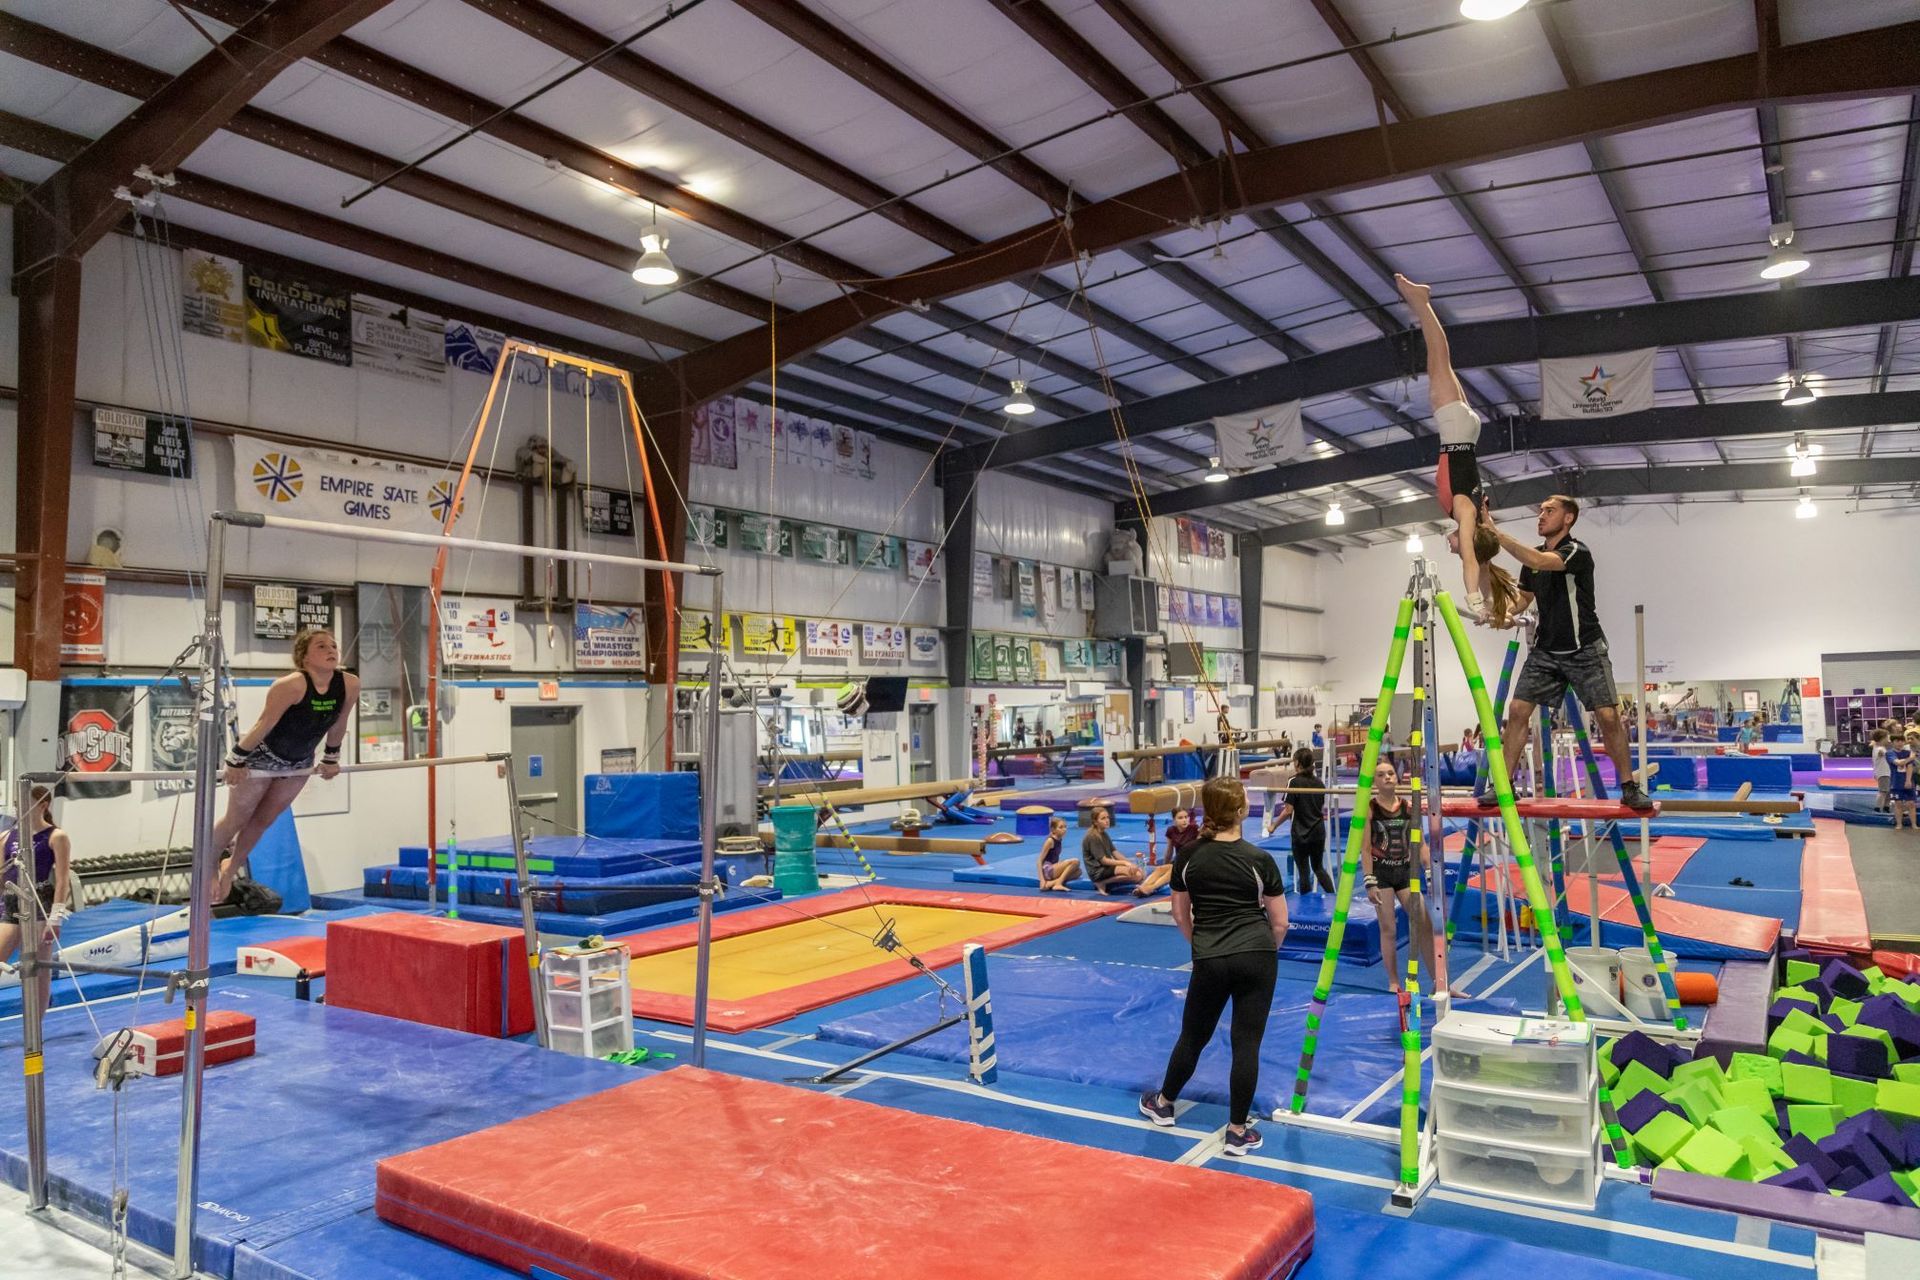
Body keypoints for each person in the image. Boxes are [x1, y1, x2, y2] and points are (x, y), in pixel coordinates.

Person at [1138, 777, 1288, 1155]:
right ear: (1240, 811)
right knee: (1246, 1043)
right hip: (1257, 955)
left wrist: (1199, 944)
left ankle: (1164, 1103)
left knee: (1194, 1036)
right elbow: (1280, 921)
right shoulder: (1259, 860)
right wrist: (1266, 950)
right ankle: (1237, 1131)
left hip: (1211, 956)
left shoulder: (1188, 856)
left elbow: (1178, 912)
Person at [1478, 495, 1655, 811]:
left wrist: (1496, 532)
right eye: (1541, 510)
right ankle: (1502, 784)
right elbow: (1522, 601)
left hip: (1584, 648)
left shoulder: (1576, 551)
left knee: (1608, 716)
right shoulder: (1532, 561)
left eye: (1550, 511)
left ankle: (1629, 787)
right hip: (1546, 651)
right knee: (1518, 710)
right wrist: (1504, 617)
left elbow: (1540, 562)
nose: (1541, 515)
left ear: (1569, 518)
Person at [1395, 274, 1521, 626]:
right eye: (1455, 546)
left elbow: (1482, 564)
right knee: (1438, 355)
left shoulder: (1483, 521)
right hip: (1454, 430)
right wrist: (1477, 604)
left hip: (1466, 432)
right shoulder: (1466, 515)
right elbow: (1471, 560)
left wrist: (1500, 609)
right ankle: (1420, 301)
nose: (1449, 545)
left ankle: (1421, 303)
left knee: (1442, 362)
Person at [211, 628, 359, 904]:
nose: (331, 650)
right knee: (237, 819)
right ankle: (209, 864)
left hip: (299, 762)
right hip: (262, 757)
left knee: (263, 820)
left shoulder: (349, 684)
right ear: (303, 658)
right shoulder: (291, 685)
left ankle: (230, 868)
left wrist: (331, 758)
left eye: (333, 646)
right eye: (321, 646)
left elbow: (339, 722)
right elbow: (264, 723)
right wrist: (236, 759)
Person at [1363, 763, 1437, 996]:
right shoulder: (1369, 809)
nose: (1387, 777)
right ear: (1374, 781)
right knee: (1389, 929)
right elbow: (1365, 849)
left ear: (1397, 777)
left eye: (1390, 773)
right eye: (1381, 775)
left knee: (1424, 922)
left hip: (1405, 871)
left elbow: (1421, 844)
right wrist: (1370, 880)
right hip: (1382, 873)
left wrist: (1429, 870)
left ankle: (1438, 980)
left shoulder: (1409, 807)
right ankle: (1394, 981)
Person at [0, 786, 73, 1005]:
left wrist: (56, 917)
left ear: (43, 805)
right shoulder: (5, 836)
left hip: (40, 904)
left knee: (38, 970)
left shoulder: (56, 836)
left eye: (25, 802)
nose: (18, 807)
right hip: (12, 902)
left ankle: (35, 1033)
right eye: (16, 803)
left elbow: (63, 880)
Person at [1265, 747, 1335, 894]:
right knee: (1318, 868)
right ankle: (1334, 898)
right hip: (1318, 831)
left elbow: (1288, 811)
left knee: (1304, 871)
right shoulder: (1319, 783)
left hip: (1301, 833)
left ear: (1297, 763)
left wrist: (1273, 826)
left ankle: (1305, 907)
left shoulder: (1294, 782)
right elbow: (1318, 808)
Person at [1080, 805, 1143, 895]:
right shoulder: (1093, 837)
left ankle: (1106, 881)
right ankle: (1102, 882)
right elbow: (1104, 861)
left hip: (1105, 868)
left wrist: (1130, 863)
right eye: (1103, 818)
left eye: (1107, 817)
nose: (1107, 820)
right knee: (1136, 875)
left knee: (1138, 875)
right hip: (1097, 871)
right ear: (1095, 822)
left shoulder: (1104, 834)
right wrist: (1125, 863)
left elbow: (1115, 852)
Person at [1135, 806, 1198, 896]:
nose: (1185, 820)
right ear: (1174, 820)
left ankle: (1151, 888)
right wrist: (1165, 864)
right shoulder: (1171, 830)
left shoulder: (1194, 829)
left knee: (1172, 870)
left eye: (1186, 817)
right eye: (1180, 818)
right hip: (1178, 861)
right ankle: (1143, 887)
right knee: (1160, 869)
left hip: (1191, 862)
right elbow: (1169, 851)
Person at [1036, 815, 1080, 892]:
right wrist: (1041, 880)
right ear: (1053, 829)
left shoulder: (1059, 839)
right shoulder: (1050, 841)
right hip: (1047, 870)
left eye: (1065, 827)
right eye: (1061, 827)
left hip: (1053, 868)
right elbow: (1039, 860)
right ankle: (1058, 883)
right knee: (1075, 861)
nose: (1064, 829)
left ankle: (1050, 884)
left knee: (1078, 872)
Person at [1890, 732, 1918, 831]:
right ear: (1892, 742)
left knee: (1911, 803)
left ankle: (1914, 824)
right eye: (1897, 741)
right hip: (1896, 782)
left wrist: (1908, 780)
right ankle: (1899, 824)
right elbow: (1898, 763)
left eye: (1902, 741)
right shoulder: (1890, 753)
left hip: (1908, 782)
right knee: (1898, 804)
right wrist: (1910, 758)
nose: (1900, 743)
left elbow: (1909, 766)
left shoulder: (1907, 752)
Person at [1870, 729, 1893, 815]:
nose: (1888, 740)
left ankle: (1886, 806)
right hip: (1883, 773)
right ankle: (1877, 808)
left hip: (1886, 772)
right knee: (1883, 791)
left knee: (1888, 791)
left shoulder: (1879, 747)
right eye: (1887, 738)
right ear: (1882, 739)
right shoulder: (1880, 749)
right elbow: (1884, 753)